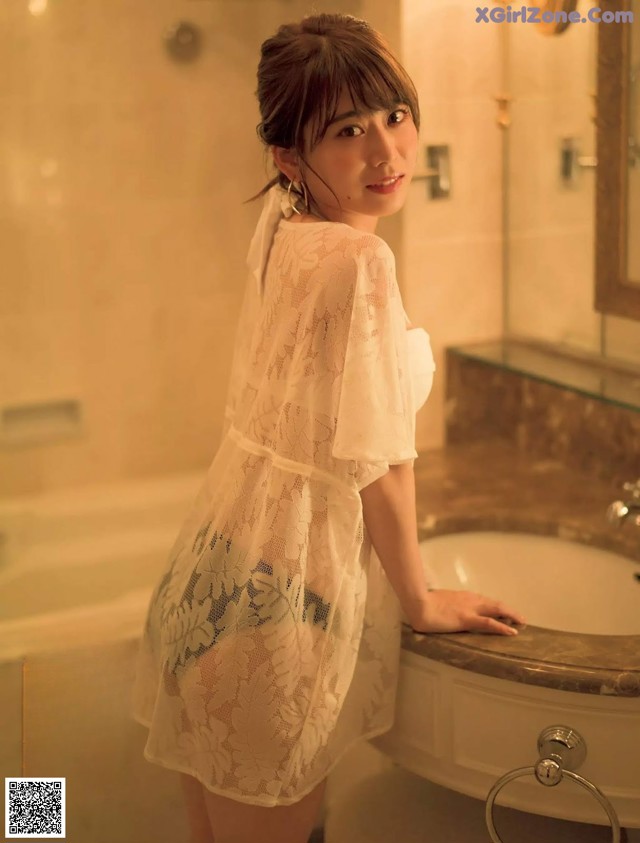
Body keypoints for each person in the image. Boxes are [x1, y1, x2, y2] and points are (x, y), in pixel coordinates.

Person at [130, 12, 525, 843]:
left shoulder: (284, 226)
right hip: (281, 612)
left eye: (395, 115)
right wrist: (420, 601)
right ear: (287, 157)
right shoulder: (359, 261)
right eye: (348, 130)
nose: (387, 152)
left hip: (207, 580)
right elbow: (380, 458)